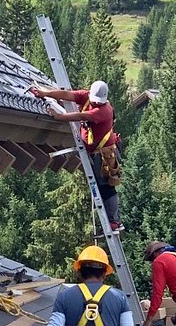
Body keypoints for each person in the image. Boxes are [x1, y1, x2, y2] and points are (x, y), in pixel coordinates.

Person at [30, 80, 123, 231]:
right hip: (96, 152)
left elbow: (81, 116)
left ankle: (114, 221)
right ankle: (113, 220)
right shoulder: (86, 96)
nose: (95, 102)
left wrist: (59, 116)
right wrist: (45, 93)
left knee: (106, 187)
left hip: (105, 154)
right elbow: (68, 95)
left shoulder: (104, 111)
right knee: (102, 187)